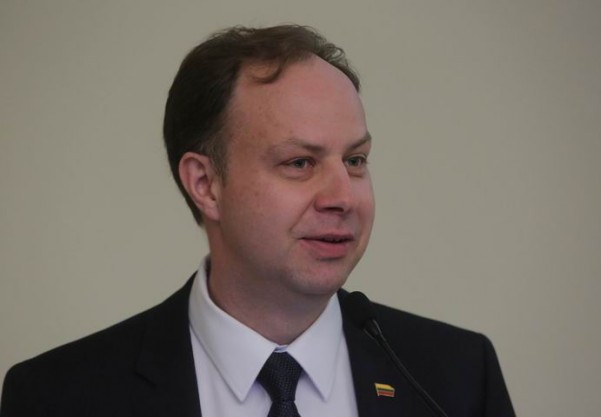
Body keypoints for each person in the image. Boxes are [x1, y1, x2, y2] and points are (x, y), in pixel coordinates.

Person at [1, 25, 515, 417]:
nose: (343, 196)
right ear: (206, 184)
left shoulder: (456, 377)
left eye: (355, 160)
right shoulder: (58, 396)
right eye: (300, 163)